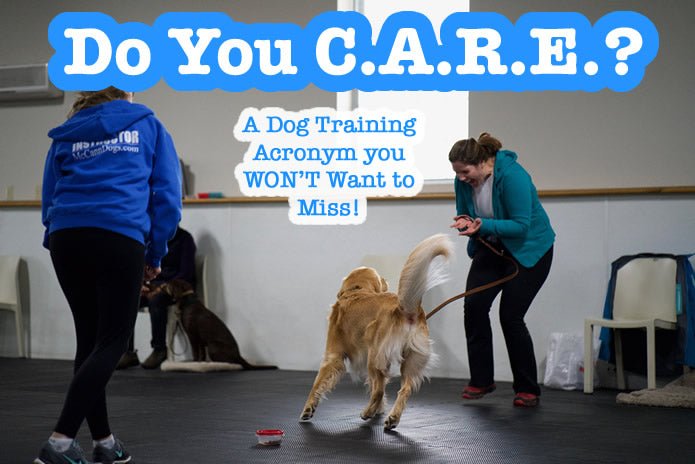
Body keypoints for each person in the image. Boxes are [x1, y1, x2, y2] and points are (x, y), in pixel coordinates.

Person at [36, 87, 182, 464]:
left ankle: (104, 442)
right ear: (125, 93)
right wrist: (156, 251)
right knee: (113, 341)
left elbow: (49, 193)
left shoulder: (67, 131)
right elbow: (167, 196)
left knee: (89, 342)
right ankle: (60, 442)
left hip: (67, 236)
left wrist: (56, 237)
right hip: (118, 232)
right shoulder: (148, 124)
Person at [448, 132, 555, 408]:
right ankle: (482, 380)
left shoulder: (513, 176)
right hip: (491, 246)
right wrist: (465, 222)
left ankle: (527, 388)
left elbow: (521, 225)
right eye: (457, 173)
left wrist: (481, 225)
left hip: (529, 251)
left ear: (482, 162)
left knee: (510, 316)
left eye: (465, 172)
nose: (461, 178)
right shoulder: (462, 181)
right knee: (474, 306)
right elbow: (467, 213)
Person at [117, 226, 196, 370]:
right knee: (129, 299)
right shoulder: (154, 239)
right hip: (154, 284)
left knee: (156, 300)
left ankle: (159, 349)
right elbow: (145, 266)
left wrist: (161, 288)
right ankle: (127, 351)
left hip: (175, 287)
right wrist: (143, 284)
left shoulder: (185, 239)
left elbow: (186, 273)